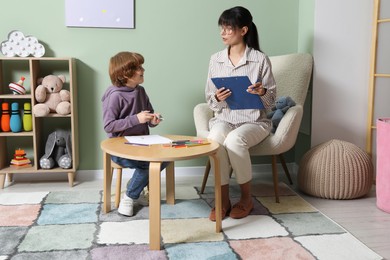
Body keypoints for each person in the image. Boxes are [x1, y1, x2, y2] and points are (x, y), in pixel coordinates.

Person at [205, 6, 276, 221]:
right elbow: (209, 99)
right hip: (224, 118)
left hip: (254, 122)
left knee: (235, 141)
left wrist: (262, 91)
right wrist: (218, 98)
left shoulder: (260, 59)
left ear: (243, 30)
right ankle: (223, 199)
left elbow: (271, 101)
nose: (223, 33)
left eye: (228, 29)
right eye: (222, 29)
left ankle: (246, 199)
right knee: (214, 139)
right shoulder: (215, 59)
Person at [102, 51, 167, 216]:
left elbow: (148, 114)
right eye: (138, 68)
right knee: (148, 164)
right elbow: (109, 126)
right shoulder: (115, 96)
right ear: (126, 74)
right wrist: (136, 119)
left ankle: (134, 188)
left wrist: (152, 119)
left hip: (143, 144)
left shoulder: (141, 91)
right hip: (120, 148)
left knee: (167, 156)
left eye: (141, 66)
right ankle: (129, 197)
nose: (142, 70)